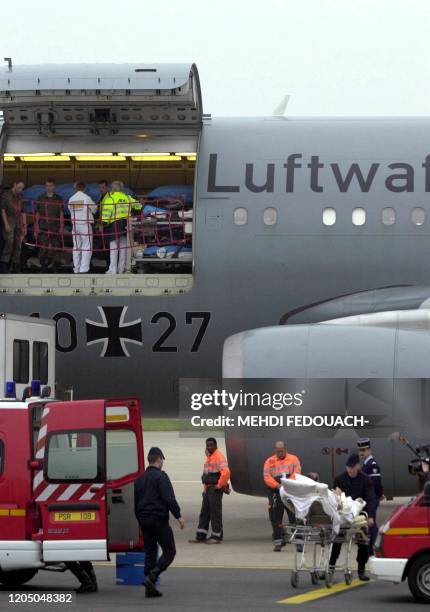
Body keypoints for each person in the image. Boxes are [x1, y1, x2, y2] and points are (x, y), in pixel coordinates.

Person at [134, 446, 184, 598]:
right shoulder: (161, 476)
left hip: (143, 519)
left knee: (150, 552)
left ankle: (149, 587)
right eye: (162, 459)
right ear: (159, 459)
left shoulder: (139, 479)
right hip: (158, 519)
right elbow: (169, 498)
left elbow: (135, 503)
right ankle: (153, 576)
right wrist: (178, 515)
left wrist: (140, 519)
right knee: (169, 551)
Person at [329, 453, 377, 581]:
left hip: (359, 515)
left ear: (358, 466)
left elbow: (371, 499)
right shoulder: (339, 479)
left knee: (363, 542)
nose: (350, 470)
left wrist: (371, 516)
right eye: (348, 467)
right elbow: (334, 497)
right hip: (344, 516)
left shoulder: (366, 479)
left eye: (352, 467)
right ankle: (330, 569)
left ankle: (361, 570)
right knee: (336, 542)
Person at [190, 437, 231, 543]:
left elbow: (226, 472)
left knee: (215, 512)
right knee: (205, 512)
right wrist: (205, 489)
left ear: (216, 445)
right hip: (208, 488)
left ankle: (216, 536)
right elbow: (207, 475)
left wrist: (219, 485)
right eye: (208, 445)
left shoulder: (218, 456)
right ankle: (201, 535)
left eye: (211, 445)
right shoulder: (210, 457)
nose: (209, 447)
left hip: (214, 489)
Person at [263, 441, 301, 551]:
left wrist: (288, 483)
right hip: (276, 492)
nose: (280, 453)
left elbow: (297, 472)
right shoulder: (269, 461)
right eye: (278, 451)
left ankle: (299, 542)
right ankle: (278, 542)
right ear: (275, 450)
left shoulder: (294, 459)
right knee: (276, 518)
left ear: (286, 449)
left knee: (294, 517)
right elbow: (266, 477)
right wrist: (277, 485)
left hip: (290, 491)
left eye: (282, 451)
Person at [100, 180, 139, 274]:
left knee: (113, 247)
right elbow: (139, 206)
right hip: (126, 224)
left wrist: (103, 224)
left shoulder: (111, 198)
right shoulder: (127, 197)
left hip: (114, 225)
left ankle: (112, 269)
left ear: (112, 189)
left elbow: (106, 213)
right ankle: (121, 269)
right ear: (121, 189)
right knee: (123, 248)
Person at [357, 437, 383, 555]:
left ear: (369, 450)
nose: (361, 452)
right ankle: (372, 548)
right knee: (368, 523)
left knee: (370, 523)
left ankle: (376, 546)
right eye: (360, 450)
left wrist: (377, 496)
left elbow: (376, 483)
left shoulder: (372, 465)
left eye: (364, 450)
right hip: (368, 499)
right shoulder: (366, 464)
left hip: (371, 500)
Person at [35, 178, 64, 273]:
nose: (49, 187)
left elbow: (61, 214)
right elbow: (37, 213)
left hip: (55, 227)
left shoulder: (59, 199)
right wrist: (36, 226)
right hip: (43, 227)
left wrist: (62, 227)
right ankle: (43, 267)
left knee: (56, 247)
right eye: (47, 185)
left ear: (54, 186)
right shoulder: (40, 198)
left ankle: (55, 267)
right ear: (45, 186)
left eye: (51, 185)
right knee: (43, 248)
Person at [68, 182, 97, 274]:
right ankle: (84, 269)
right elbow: (94, 209)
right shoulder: (86, 197)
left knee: (76, 247)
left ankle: (76, 268)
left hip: (75, 225)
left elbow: (70, 210)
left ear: (75, 188)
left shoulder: (71, 199)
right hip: (85, 224)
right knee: (86, 246)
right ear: (84, 188)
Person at [0, 179, 26, 273]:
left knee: (18, 244)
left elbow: (23, 212)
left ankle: (16, 266)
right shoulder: (6, 195)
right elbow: (2, 210)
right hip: (9, 221)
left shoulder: (21, 197)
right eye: (19, 187)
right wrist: (6, 224)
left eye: (22, 188)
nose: (20, 190)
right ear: (14, 184)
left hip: (19, 222)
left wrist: (25, 225)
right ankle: (4, 266)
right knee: (9, 243)